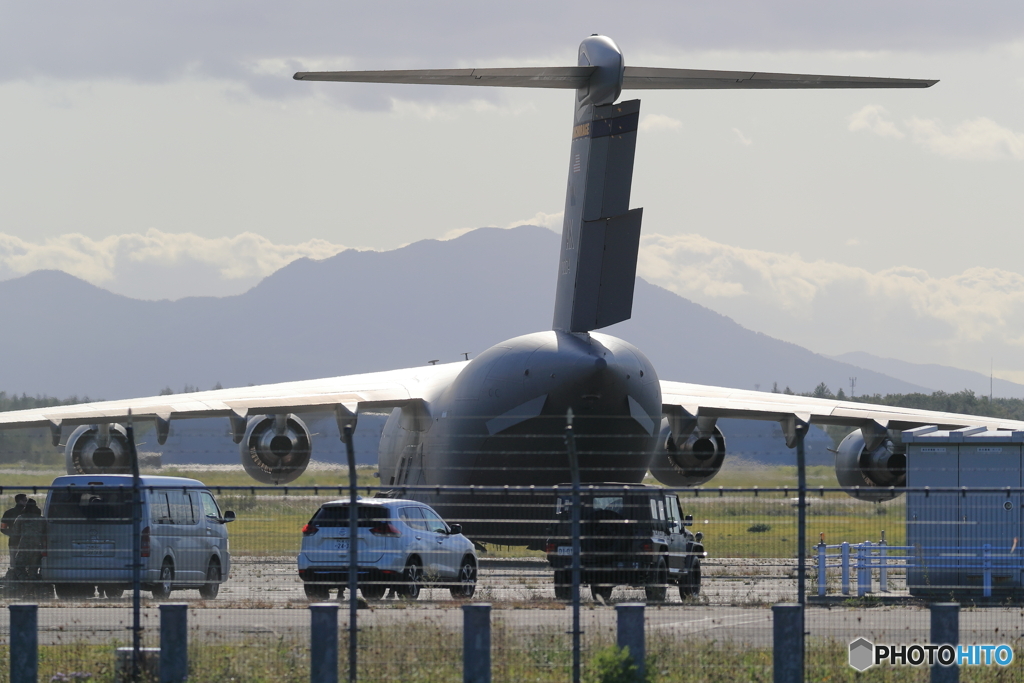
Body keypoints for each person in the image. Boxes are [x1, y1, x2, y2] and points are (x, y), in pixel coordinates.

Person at [12, 499, 46, 595]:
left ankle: (26, 583)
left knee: (18, 566)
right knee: (33, 570)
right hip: (37, 548)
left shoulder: (21, 518)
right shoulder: (42, 520)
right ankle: (32, 588)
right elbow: (45, 533)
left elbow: (16, 533)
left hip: (24, 547)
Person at [1, 493, 27, 585]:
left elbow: (3, 528)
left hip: (13, 541)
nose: (26, 502)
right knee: (26, 561)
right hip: (26, 541)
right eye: (25, 500)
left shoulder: (8, 512)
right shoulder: (27, 513)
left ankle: (14, 580)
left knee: (13, 561)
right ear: (19, 501)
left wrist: (12, 534)